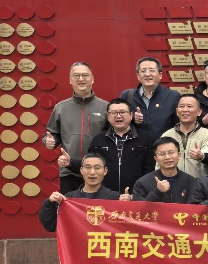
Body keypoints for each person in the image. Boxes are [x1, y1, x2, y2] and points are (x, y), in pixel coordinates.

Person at [43, 62, 109, 192]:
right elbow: (51, 134)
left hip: (97, 171)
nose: (81, 79)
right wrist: (48, 141)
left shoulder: (106, 107)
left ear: (92, 79)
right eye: (76, 75)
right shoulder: (61, 108)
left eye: (85, 75)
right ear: (70, 80)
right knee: (70, 205)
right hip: (69, 171)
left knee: (96, 205)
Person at [71, 98, 155, 195]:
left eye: (122, 112)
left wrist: (139, 192)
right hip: (105, 195)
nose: (118, 116)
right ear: (108, 116)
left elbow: (150, 168)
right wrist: (70, 163)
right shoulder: (98, 140)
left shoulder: (146, 138)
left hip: (136, 195)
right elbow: (90, 165)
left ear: (131, 115)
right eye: (114, 113)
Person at [119, 56, 181, 140]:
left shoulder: (173, 96)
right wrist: (131, 118)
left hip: (163, 145)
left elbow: (178, 125)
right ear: (138, 75)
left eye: (151, 70)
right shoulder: (127, 95)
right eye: (143, 71)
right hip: (135, 145)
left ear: (160, 75)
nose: (147, 74)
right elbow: (118, 122)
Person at [159, 95, 208, 179]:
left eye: (189, 106)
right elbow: (159, 163)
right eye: (181, 106)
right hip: (172, 183)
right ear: (177, 111)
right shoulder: (167, 135)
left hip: (199, 184)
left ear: (199, 112)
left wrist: (201, 156)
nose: (185, 110)